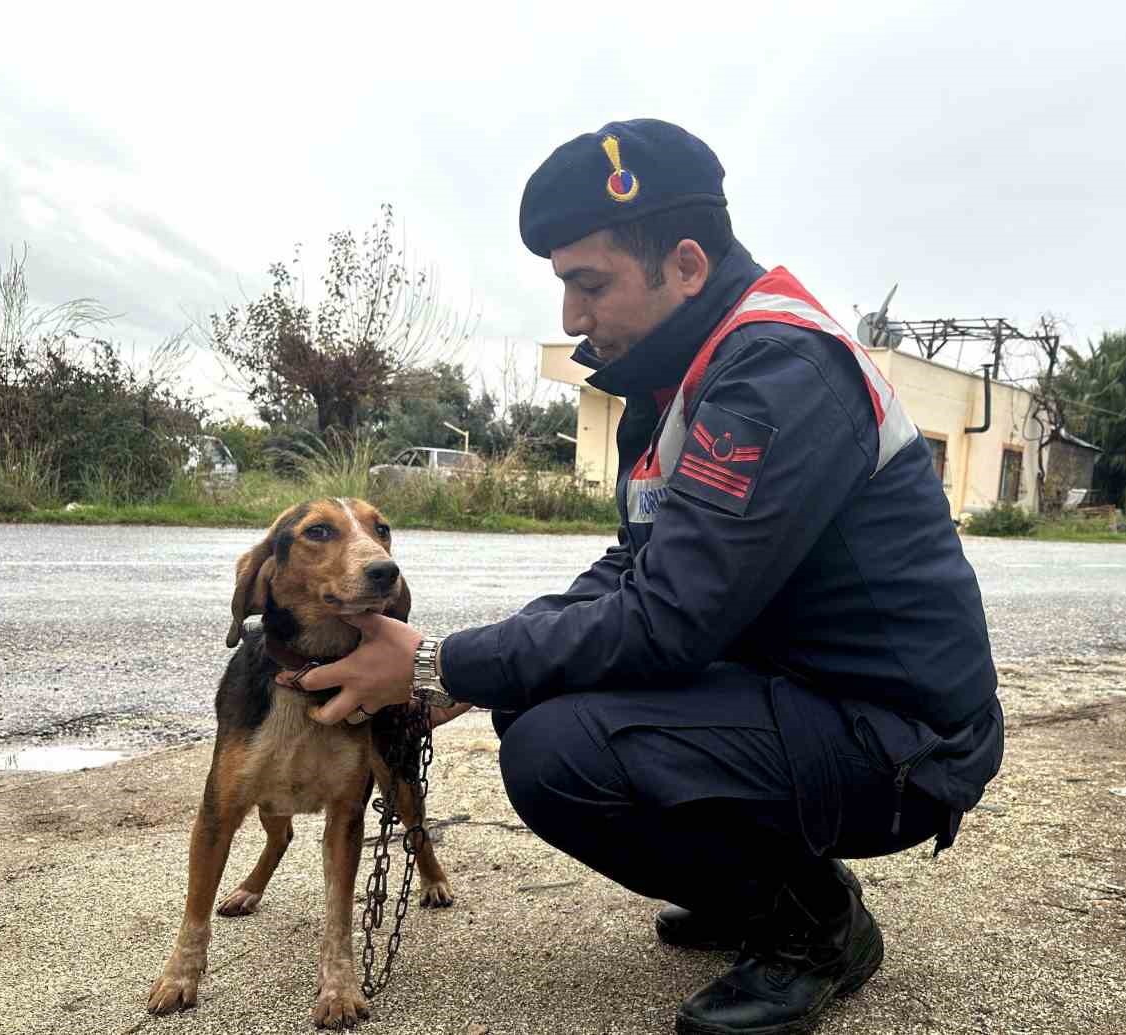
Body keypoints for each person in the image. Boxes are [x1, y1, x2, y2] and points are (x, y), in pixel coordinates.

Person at [283, 118, 1003, 1035]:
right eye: (565, 287)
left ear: (688, 264)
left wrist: (439, 664)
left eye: (591, 284)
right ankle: (755, 888)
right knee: (533, 703)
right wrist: (476, 668)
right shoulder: (678, 378)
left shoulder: (777, 371)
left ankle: (812, 923)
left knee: (561, 754)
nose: (573, 318)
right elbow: (633, 564)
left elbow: (670, 618)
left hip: (902, 735)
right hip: (800, 692)